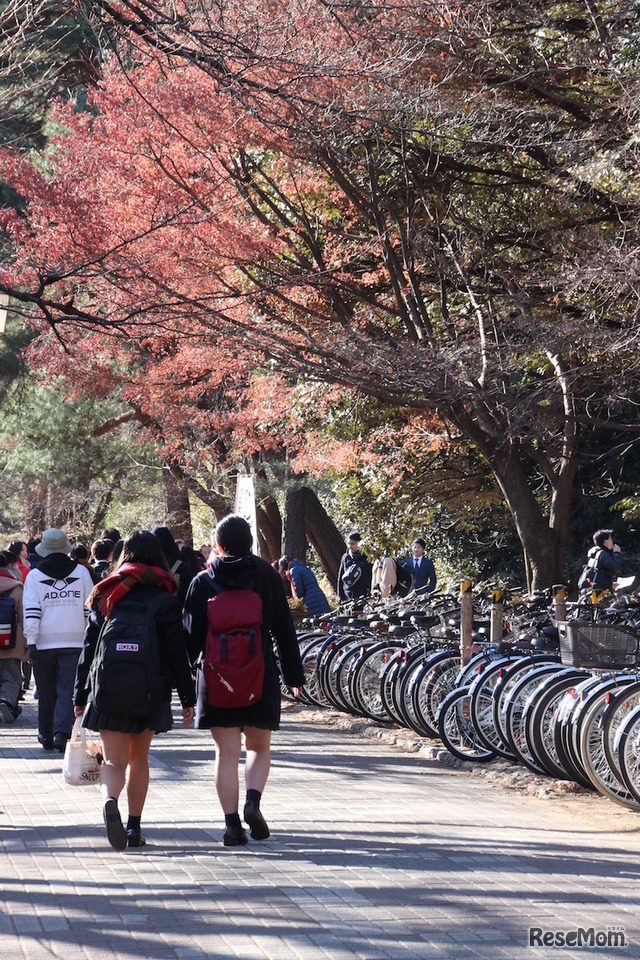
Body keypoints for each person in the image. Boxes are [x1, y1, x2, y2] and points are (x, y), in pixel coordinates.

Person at [183, 515, 305, 847]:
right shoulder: (266, 575)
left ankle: (232, 825)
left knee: (225, 754)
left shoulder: (202, 581)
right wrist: (295, 676)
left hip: (217, 678)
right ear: (250, 542)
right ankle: (253, 801)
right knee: (258, 747)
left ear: (218, 544)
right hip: (259, 673)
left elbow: (191, 637)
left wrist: (188, 680)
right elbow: (284, 631)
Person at [73, 530, 196, 851]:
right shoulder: (165, 598)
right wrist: (188, 698)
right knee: (139, 760)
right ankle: (133, 828)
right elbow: (176, 652)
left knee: (113, 762)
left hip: (107, 689)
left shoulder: (107, 593)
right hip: (150, 690)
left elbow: (89, 649)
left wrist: (79, 696)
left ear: (122, 555)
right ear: (158, 558)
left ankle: (109, 800)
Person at [22, 528, 95, 752]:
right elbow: (89, 608)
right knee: (67, 690)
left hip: (43, 643)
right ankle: (61, 732)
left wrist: (31, 640)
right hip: (75, 642)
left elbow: (32, 611)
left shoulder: (35, 576)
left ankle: (45, 733)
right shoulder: (82, 573)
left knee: (45, 691)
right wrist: (87, 635)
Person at [0, 550, 28, 723]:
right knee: (11, 676)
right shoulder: (16, 586)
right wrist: (27, 643)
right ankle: (6, 701)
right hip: (11, 639)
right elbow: (23, 616)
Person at [336, 532, 372, 603]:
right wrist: (340, 596)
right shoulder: (345, 557)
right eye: (348, 543)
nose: (350, 546)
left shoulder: (367, 557)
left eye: (353, 544)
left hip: (363, 596)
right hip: (348, 596)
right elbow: (340, 577)